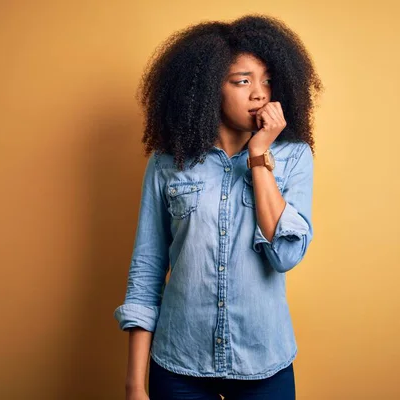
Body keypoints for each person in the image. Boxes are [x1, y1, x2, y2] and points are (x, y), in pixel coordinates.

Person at [114, 14, 321, 400]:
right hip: (179, 365)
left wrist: (259, 156)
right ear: (209, 88)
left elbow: (286, 253)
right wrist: (134, 385)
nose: (259, 93)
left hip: (263, 363)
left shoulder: (293, 156)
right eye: (243, 81)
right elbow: (147, 268)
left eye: (267, 80)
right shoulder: (167, 163)